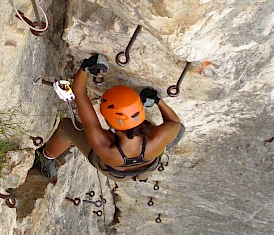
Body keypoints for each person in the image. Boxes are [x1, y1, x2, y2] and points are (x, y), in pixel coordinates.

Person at [34, 54, 184, 182]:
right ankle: (142, 174)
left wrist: (85, 68)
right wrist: (158, 100)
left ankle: (45, 157)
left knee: (66, 126)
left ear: (107, 120)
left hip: (115, 172)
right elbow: (176, 123)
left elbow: (79, 95)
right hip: (148, 166)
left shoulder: (105, 147)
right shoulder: (158, 139)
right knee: (178, 130)